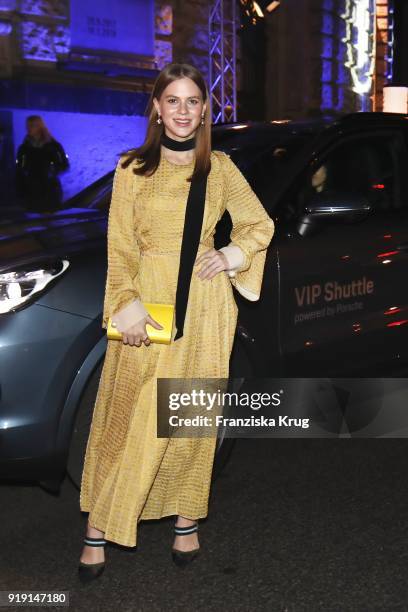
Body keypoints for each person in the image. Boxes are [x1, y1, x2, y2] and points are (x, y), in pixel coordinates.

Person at [78, 62, 275, 582]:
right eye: (173, 101)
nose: (183, 111)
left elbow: (260, 223)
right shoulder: (131, 169)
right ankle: (101, 521)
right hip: (147, 307)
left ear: (205, 110)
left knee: (189, 420)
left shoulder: (223, 168)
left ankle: (185, 520)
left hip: (206, 309)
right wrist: (126, 304)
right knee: (131, 415)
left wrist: (231, 256)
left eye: (193, 101)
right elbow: (120, 248)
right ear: (157, 109)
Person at [15, 115, 69, 213]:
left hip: (50, 191)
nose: (28, 128)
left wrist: (52, 171)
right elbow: (19, 169)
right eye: (27, 126)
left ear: (40, 127)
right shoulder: (23, 148)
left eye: (32, 125)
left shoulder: (54, 146)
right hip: (31, 192)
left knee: (50, 221)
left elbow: (64, 164)